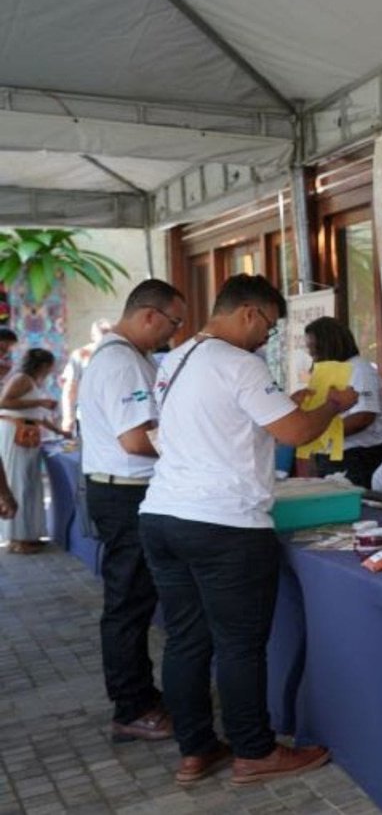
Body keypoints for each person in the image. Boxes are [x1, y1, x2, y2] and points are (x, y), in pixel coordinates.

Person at [139, 275, 357, 786]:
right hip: (224, 524)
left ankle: (196, 750)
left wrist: (291, 401)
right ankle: (254, 751)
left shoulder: (178, 358)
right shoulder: (240, 363)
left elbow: (230, 421)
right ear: (250, 314)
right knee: (238, 645)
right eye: (271, 326)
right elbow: (298, 432)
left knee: (186, 641)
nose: (269, 338)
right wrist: (331, 405)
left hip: (163, 514)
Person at [78, 280, 186, 743]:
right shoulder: (122, 362)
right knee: (128, 602)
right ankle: (131, 705)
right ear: (148, 315)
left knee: (134, 599)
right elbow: (137, 440)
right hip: (126, 494)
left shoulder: (126, 356)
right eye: (172, 323)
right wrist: (193, 446)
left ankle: (140, 693)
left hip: (124, 491)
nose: (173, 334)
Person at [302, 317, 382, 488]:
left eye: (314, 347)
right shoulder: (325, 371)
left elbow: (363, 417)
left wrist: (320, 432)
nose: (311, 353)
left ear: (330, 343)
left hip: (357, 457)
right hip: (327, 456)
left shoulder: (360, 370)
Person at [1, 349, 64, 554]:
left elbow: (37, 415)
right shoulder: (22, 379)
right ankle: (17, 538)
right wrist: (40, 401)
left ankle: (28, 534)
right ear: (44, 365)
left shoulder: (33, 381)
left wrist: (60, 431)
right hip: (15, 432)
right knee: (18, 482)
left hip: (28, 432)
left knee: (28, 484)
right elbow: (4, 402)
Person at [60, 319, 112, 435]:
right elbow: (70, 387)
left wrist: (68, 417)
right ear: (93, 336)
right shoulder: (81, 354)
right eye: (103, 334)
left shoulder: (120, 353)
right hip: (90, 414)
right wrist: (68, 417)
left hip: (109, 415)